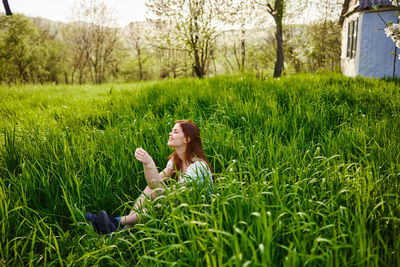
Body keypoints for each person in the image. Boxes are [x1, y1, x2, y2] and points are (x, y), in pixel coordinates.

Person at [85, 120, 213, 234]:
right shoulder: (175, 160)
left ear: (187, 139)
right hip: (181, 204)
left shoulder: (197, 166)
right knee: (151, 189)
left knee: (164, 201)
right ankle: (123, 227)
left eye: (175, 131)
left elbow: (171, 194)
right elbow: (153, 184)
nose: (170, 133)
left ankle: (114, 221)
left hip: (197, 213)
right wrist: (147, 163)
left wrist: (150, 162)